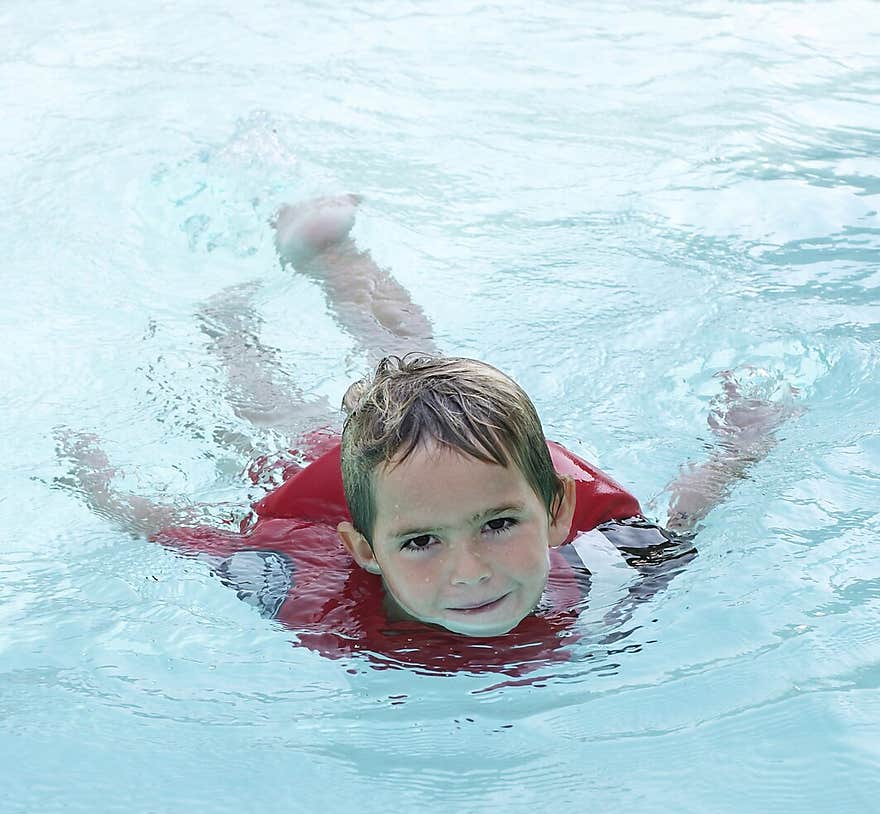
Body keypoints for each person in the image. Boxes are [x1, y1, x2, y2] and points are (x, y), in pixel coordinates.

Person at [58, 196, 791, 672]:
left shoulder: (605, 572)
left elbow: (682, 519)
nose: (469, 570)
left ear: (559, 513)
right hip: (332, 485)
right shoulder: (308, 593)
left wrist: (738, 449)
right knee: (275, 425)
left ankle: (337, 255)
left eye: (502, 524)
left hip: (457, 463)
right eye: (420, 543)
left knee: (420, 364)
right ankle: (229, 331)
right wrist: (99, 488)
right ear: (366, 551)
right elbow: (187, 537)